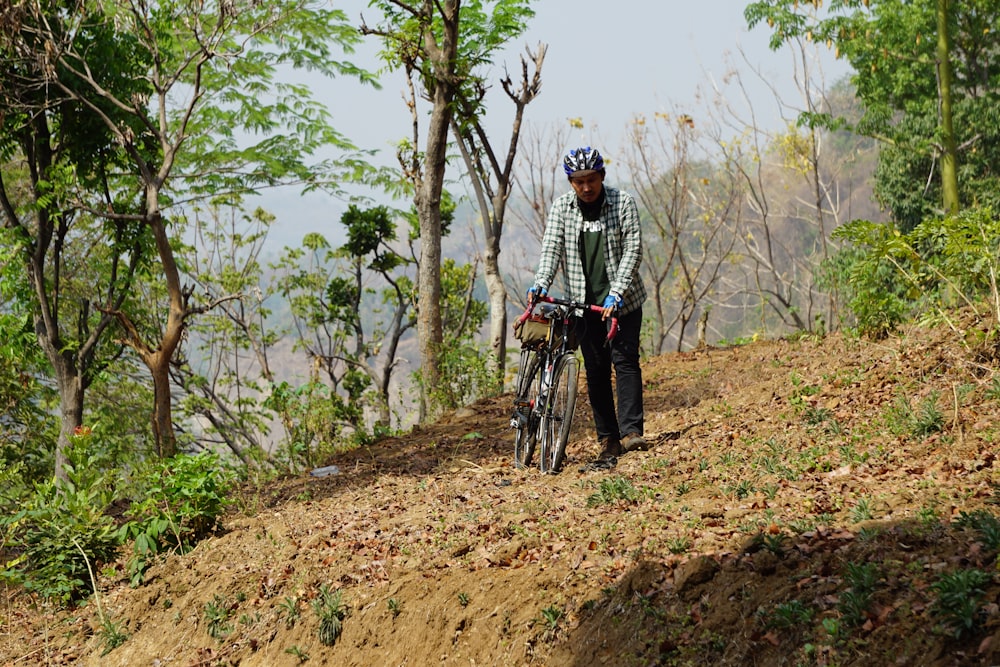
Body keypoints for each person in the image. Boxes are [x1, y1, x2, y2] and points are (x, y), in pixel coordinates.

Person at [527, 147, 647, 471]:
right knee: (595, 371)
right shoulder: (562, 209)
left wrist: (617, 292)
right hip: (584, 305)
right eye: (578, 182)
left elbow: (633, 250)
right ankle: (608, 438)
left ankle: (632, 431)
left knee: (625, 360)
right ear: (571, 183)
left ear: (602, 177)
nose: (586, 187)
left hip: (623, 302)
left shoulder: (622, 203)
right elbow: (551, 249)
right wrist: (541, 283)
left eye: (591, 180)